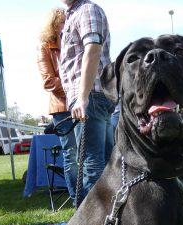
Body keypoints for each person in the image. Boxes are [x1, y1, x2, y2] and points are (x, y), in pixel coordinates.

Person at [59, 0, 115, 206]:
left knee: (92, 164)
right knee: (108, 161)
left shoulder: (86, 10)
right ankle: (112, 220)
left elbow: (92, 49)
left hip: (91, 96)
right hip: (94, 96)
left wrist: (82, 96)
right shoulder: (73, 14)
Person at [37, 7, 78, 207]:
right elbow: (49, 81)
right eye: (62, 21)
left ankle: (91, 199)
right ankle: (79, 201)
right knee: (71, 154)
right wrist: (75, 93)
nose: (67, 24)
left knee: (87, 154)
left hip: (84, 104)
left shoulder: (74, 41)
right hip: (62, 107)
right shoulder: (44, 47)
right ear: (53, 24)